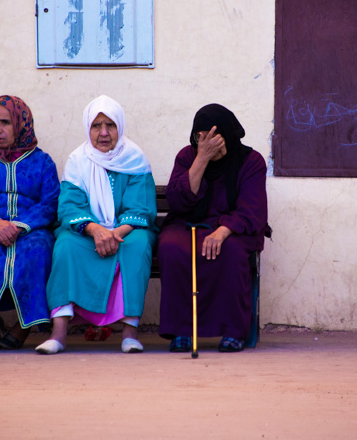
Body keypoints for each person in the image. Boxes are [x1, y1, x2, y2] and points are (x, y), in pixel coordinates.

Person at [36, 95, 157, 355]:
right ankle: (58, 335)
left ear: (120, 127)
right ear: (88, 127)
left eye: (110, 125)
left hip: (126, 232)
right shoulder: (78, 160)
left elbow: (141, 208)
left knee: (137, 246)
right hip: (87, 232)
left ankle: (129, 334)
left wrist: (115, 233)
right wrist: (96, 230)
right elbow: (69, 206)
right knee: (66, 245)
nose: (103, 133)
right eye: (96, 125)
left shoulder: (135, 160)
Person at [157, 104, 269, 353]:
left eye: (213, 137)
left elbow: (252, 208)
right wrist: (202, 159)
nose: (206, 142)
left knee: (229, 251)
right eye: (201, 137)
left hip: (233, 228)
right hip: (188, 223)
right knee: (172, 248)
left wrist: (223, 230)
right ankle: (182, 330)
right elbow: (177, 201)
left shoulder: (251, 161)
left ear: (228, 135)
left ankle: (233, 331)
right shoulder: (188, 156)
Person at [0, 95, 60, 349]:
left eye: (5, 122)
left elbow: (50, 202)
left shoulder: (42, 161)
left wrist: (18, 226)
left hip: (30, 229)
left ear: (20, 124)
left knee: (39, 252)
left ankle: (22, 329)